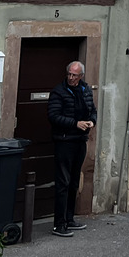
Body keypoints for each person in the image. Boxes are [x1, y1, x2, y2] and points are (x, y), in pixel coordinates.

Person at [48, 60, 97, 236]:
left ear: (81, 76)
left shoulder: (85, 90)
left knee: (74, 181)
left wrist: (92, 121)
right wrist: (75, 124)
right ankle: (59, 224)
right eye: (69, 74)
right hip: (64, 141)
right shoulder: (58, 92)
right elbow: (53, 116)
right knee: (63, 182)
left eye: (74, 75)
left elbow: (92, 110)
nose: (70, 77)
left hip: (80, 141)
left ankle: (69, 219)